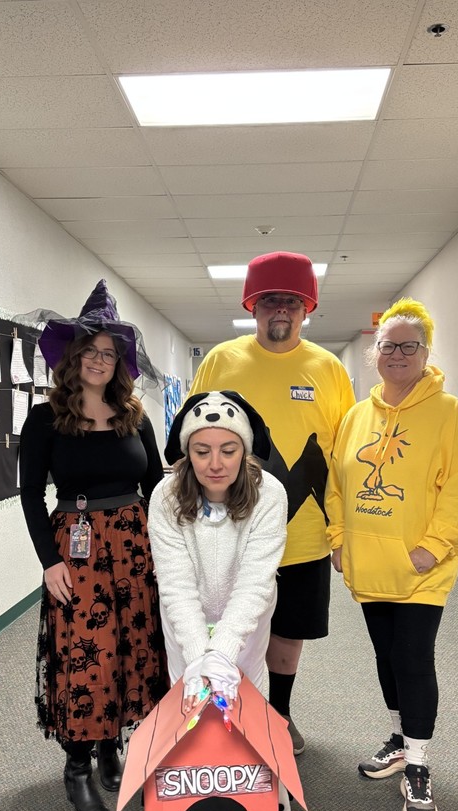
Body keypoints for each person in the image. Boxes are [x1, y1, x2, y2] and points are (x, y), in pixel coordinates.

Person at [325, 297, 458, 811]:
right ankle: (400, 736)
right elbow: (337, 484)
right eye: (388, 345)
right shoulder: (356, 416)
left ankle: (418, 764)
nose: (398, 354)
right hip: (370, 565)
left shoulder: (447, 414)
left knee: (413, 656)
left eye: (409, 346)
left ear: (425, 352)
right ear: (374, 353)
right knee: (386, 655)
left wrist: (434, 547)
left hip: (422, 569)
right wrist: (338, 539)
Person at [189, 252, 355, 754]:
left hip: (304, 533)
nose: (279, 310)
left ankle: (279, 713)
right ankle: (224, 708)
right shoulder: (222, 360)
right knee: (230, 622)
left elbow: (344, 457)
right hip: (230, 527)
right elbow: (194, 438)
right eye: (268, 301)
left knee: (288, 632)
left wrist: (342, 533)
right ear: (253, 307)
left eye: (290, 301)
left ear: (306, 309)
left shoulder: (328, 369)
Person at [19, 280, 168, 811]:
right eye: (90, 351)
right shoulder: (45, 419)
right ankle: (78, 764)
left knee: (133, 648)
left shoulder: (136, 417)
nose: (99, 361)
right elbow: (30, 494)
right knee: (87, 654)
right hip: (76, 549)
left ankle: (112, 747)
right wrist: (49, 562)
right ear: (72, 357)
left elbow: (157, 487)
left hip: (135, 546)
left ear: (119, 362)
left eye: (109, 353)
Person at [146, 391, 291, 811]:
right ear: (186, 453)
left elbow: (254, 583)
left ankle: (266, 799)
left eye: (228, 450)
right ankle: (180, 802)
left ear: (244, 450)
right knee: (188, 707)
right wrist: (199, 655)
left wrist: (223, 652)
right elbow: (174, 584)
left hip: (245, 624)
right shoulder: (166, 496)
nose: (215, 463)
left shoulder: (270, 494)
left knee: (246, 703)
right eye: (202, 451)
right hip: (184, 625)